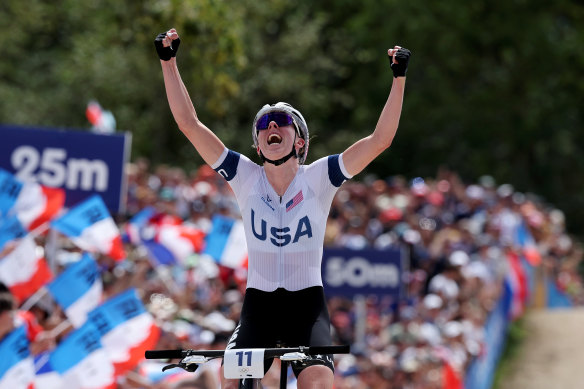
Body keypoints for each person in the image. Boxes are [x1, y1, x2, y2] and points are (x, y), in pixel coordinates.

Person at [154, 28, 410, 389]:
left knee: (319, 382)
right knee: (233, 380)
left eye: (281, 122)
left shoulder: (320, 177)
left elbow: (380, 140)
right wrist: (168, 62)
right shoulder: (244, 176)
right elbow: (189, 125)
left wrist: (398, 79)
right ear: (258, 145)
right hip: (259, 307)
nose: (271, 125)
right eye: (263, 124)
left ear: (300, 141)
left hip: (306, 307)